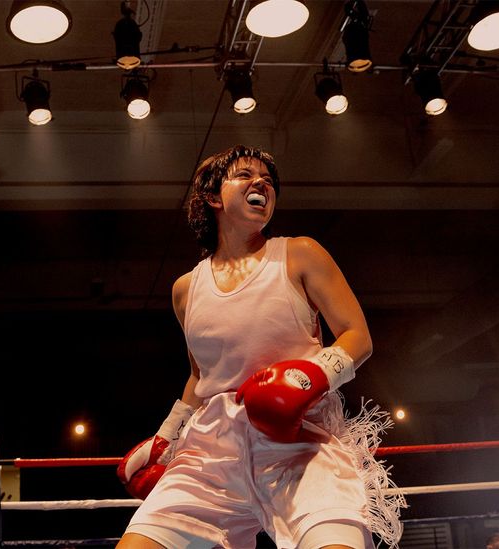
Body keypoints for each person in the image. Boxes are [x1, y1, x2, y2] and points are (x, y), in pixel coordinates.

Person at [116, 145, 402, 548]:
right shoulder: (186, 289)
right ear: (214, 197)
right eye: (245, 174)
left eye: (268, 180)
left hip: (301, 443)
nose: (261, 182)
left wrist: (309, 376)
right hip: (211, 454)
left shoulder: (299, 253)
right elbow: (200, 376)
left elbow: (357, 335)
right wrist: (167, 439)